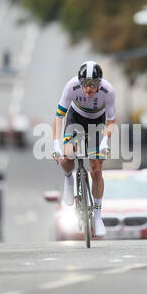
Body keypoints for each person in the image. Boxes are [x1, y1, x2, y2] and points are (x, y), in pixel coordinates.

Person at [52, 61, 116, 237]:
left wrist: (105, 141)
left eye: (93, 84)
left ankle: (97, 217)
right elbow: (59, 116)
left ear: (100, 83)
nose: (88, 89)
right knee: (68, 156)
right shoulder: (71, 86)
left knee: (96, 170)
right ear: (79, 82)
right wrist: (56, 143)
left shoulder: (108, 91)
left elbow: (111, 121)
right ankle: (68, 178)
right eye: (85, 84)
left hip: (97, 122)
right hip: (75, 118)